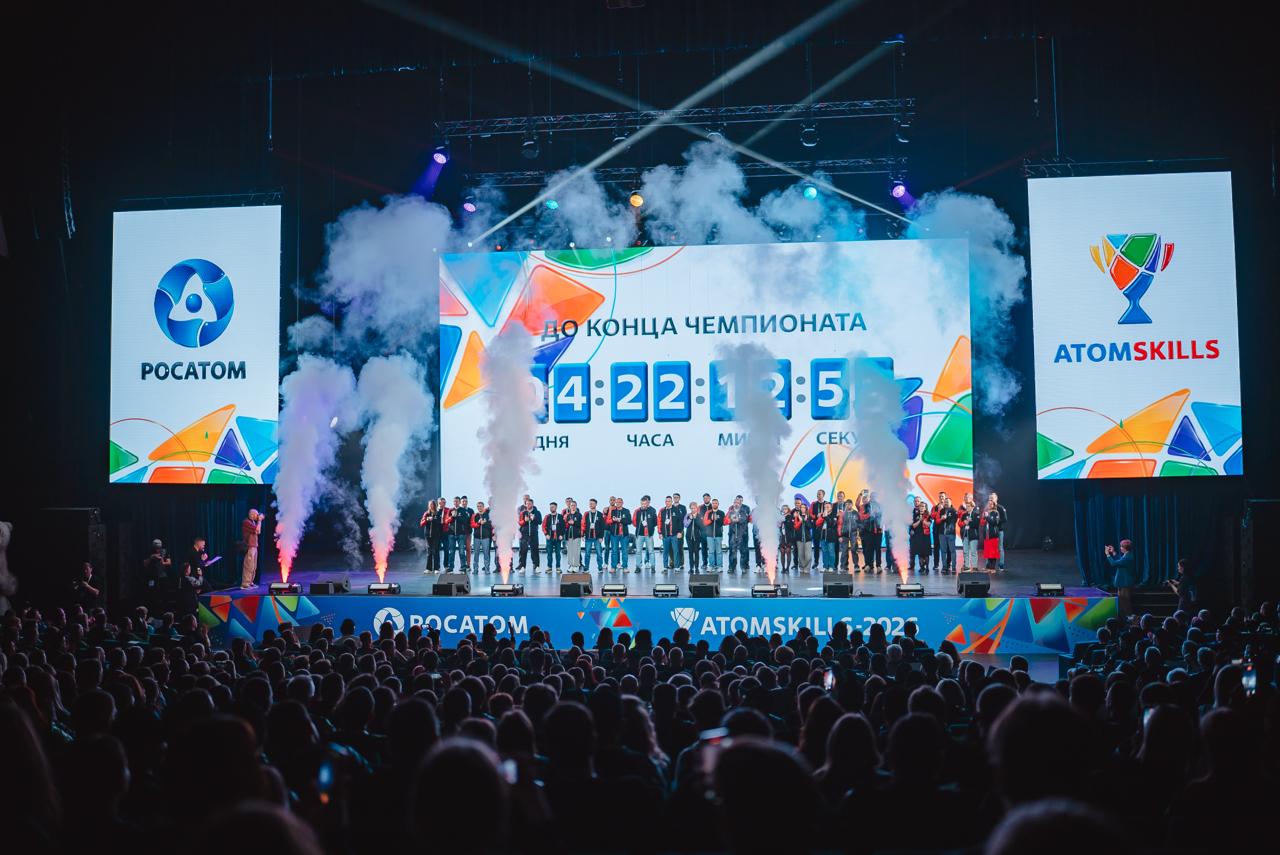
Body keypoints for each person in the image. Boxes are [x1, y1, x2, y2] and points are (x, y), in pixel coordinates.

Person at [1105, 539, 1138, 615]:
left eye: (1121, 547)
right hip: (1122, 583)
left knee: (1125, 603)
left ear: (1125, 548)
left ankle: (1130, 618)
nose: (1120, 548)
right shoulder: (1127, 555)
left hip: (1125, 583)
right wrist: (1113, 552)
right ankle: (1125, 617)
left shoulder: (1128, 557)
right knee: (1122, 602)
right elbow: (1120, 561)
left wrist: (1108, 554)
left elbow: (1114, 564)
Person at [141, 539, 171, 611]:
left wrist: (162, 561)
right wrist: (151, 558)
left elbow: (169, 562)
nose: (158, 550)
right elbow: (144, 564)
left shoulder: (164, 551)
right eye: (156, 548)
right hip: (152, 577)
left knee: (164, 594)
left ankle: (164, 610)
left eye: (159, 548)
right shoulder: (149, 552)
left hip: (163, 576)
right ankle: (153, 610)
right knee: (153, 595)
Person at [726, 495, 752, 574]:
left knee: (743, 551)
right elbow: (727, 519)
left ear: (740, 503)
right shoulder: (730, 511)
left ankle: (743, 567)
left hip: (742, 534)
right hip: (733, 534)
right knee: (732, 551)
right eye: (735, 502)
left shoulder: (744, 511)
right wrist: (732, 519)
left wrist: (738, 519)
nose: (736, 504)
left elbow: (744, 519)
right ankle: (731, 567)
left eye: (738, 503)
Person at [633, 495, 658, 573]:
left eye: (645, 504)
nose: (643, 505)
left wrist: (649, 526)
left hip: (649, 535)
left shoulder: (652, 511)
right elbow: (634, 522)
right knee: (638, 551)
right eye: (642, 504)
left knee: (651, 551)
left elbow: (655, 522)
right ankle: (638, 567)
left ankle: (653, 567)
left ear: (647, 503)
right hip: (639, 535)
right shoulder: (637, 511)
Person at [933, 495, 958, 574]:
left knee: (952, 551)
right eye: (945, 502)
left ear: (951, 503)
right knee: (943, 551)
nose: (946, 503)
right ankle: (944, 567)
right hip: (942, 534)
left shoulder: (954, 510)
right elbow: (937, 521)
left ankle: (953, 567)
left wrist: (946, 518)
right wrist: (941, 518)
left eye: (948, 502)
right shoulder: (941, 511)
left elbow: (954, 521)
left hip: (950, 534)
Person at [516, 498, 542, 572]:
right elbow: (519, 522)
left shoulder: (537, 512)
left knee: (535, 551)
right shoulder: (523, 513)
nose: (528, 505)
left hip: (534, 535)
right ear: (525, 504)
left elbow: (540, 522)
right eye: (527, 504)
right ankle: (522, 567)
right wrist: (525, 520)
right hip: (524, 535)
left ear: (532, 504)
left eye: (530, 504)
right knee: (523, 551)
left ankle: (536, 566)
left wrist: (534, 518)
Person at [860, 492, 883, 572]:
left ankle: (878, 565)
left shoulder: (880, 506)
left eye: (875, 496)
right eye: (872, 497)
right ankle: (869, 565)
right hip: (868, 530)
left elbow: (883, 516)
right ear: (870, 497)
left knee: (878, 548)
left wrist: (881, 525)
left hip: (878, 530)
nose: (874, 498)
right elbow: (862, 516)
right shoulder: (866, 505)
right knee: (868, 548)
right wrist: (869, 515)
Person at [419, 501, 444, 574]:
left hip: (436, 535)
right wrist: (426, 519)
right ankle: (428, 568)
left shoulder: (438, 513)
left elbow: (440, 523)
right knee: (429, 552)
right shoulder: (426, 513)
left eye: (432, 504)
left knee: (436, 551)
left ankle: (437, 568)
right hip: (428, 536)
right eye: (430, 505)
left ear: (435, 505)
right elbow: (421, 524)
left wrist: (433, 519)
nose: (431, 506)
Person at [608, 498, 632, 572]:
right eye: (617, 502)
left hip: (624, 535)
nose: (618, 503)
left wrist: (620, 520)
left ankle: (625, 567)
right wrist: (613, 520)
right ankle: (613, 567)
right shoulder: (613, 511)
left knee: (624, 551)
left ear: (622, 503)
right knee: (614, 551)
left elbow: (629, 521)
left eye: (619, 502)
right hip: (614, 535)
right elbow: (609, 521)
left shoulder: (626, 511)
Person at [240, 508, 262, 589]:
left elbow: (258, 531)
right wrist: (259, 521)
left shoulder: (253, 522)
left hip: (254, 546)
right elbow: (257, 529)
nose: (257, 516)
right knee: (249, 565)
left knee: (253, 566)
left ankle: (250, 582)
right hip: (249, 546)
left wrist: (258, 522)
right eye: (256, 514)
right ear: (252, 515)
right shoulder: (246, 522)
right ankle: (245, 584)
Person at [659, 496, 682, 572]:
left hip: (674, 535)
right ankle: (665, 567)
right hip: (665, 535)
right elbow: (659, 522)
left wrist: (679, 532)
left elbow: (680, 522)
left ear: (672, 502)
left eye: (669, 501)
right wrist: (660, 533)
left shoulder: (676, 510)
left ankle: (677, 567)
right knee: (665, 552)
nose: (667, 502)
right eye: (666, 501)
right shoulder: (662, 511)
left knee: (676, 551)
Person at [582, 499, 605, 572]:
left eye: (592, 503)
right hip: (588, 537)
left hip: (597, 538)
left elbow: (602, 526)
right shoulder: (586, 514)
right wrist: (582, 534)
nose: (590, 505)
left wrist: (601, 537)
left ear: (596, 504)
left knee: (599, 553)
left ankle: (600, 567)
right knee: (587, 553)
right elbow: (583, 524)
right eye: (590, 503)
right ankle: (586, 568)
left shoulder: (600, 514)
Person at [790, 499, 813, 572]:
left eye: (804, 507)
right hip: (799, 538)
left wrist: (805, 521)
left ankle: (807, 568)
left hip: (808, 539)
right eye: (801, 507)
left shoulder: (808, 517)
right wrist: (799, 521)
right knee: (800, 555)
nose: (802, 509)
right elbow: (795, 527)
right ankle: (802, 567)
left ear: (806, 509)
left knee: (808, 556)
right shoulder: (797, 516)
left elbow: (810, 527)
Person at [703, 499, 726, 570]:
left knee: (719, 552)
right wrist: (711, 519)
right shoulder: (708, 513)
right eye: (713, 503)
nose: (714, 504)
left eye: (716, 503)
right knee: (711, 552)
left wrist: (717, 519)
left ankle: (720, 566)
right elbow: (705, 523)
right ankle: (711, 566)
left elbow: (723, 523)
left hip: (718, 535)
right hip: (710, 536)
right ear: (712, 504)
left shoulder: (721, 513)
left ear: (718, 504)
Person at [909, 499, 931, 573]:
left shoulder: (928, 515)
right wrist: (919, 520)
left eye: (923, 506)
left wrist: (923, 520)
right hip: (918, 536)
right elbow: (913, 526)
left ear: (925, 508)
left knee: (926, 553)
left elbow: (929, 524)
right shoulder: (915, 515)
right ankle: (922, 567)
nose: (921, 507)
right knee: (920, 553)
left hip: (926, 536)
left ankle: (927, 567)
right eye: (920, 506)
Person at [838, 499, 860, 571]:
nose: (848, 506)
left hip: (854, 534)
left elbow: (859, 524)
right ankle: (843, 566)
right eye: (846, 504)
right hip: (844, 535)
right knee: (844, 551)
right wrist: (840, 536)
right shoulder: (843, 514)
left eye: (849, 504)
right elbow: (840, 525)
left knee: (854, 550)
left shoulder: (856, 513)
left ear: (852, 504)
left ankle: (856, 566)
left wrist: (858, 534)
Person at [542, 502, 565, 572]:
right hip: (549, 538)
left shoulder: (560, 516)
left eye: (553, 507)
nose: (551, 508)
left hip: (558, 538)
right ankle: (549, 567)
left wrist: (561, 535)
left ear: (556, 507)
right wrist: (546, 534)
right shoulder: (547, 516)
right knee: (549, 553)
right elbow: (543, 526)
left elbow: (563, 527)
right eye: (550, 507)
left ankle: (558, 567)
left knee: (558, 554)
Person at [470, 502, 493, 574]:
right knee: (476, 554)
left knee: (486, 554)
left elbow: (491, 525)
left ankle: (487, 569)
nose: (479, 507)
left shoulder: (488, 515)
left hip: (486, 538)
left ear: (483, 507)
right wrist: (479, 523)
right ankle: (475, 569)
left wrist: (484, 523)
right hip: (476, 538)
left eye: (480, 506)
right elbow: (472, 525)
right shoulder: (474, 515)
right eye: (478, 506)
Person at [959, 493, 980, 571]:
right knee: (965, 551)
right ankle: (967, 566)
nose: (967, 508)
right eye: (966, 506)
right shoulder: (964, 515)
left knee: (973, 551)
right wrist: (964, 522)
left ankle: (974, 566)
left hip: (973, 535)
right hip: (965, 535)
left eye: (969, 506)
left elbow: (977, 524)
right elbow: (960, 523)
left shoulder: (976, 514)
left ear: (972, 507)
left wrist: (970, 522)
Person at [562, 499, 583, 572]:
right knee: (570, 551)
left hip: (576, 535)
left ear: (576, 506)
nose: (573, 507)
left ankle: (576, 565)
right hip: (569, 535)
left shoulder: (579, 515)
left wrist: (574, 523)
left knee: (576, 551)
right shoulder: (567, 515)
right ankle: (571, 565)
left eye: (574, 505)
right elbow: (565, 525)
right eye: (571, 505)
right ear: (569, 506)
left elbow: (581, 524)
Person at [990, 491, 1009, 570]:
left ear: (996, 498)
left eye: (992, 498)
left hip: (999, 531)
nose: (991, 499)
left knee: (1000, 548)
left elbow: (1005, 519)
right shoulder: (989, 508)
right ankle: (991, 565)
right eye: (990, 498)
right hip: (991, 532)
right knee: (991, 548)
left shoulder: (1000, 508)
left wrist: (997, 521)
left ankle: (1001, 565)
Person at [981, 502, 1002, 572]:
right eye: (988, 504)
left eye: (991, 504)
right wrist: (984, 517)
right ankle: (988, 567)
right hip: (987, 535)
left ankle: (992, 568)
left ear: (994, 505)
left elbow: (995, 523)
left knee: (993, 552)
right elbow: (982, 523)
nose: (989, 505)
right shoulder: (986, 512)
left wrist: (987, 517)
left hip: (993, 535)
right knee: (988, 552)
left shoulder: (996, 513)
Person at [684, 500, 703, 571]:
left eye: (694, 508)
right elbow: (685, 525)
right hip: (689, 537)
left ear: (696, 508)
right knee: (690, 552)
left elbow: (702, 526)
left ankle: (697, 567)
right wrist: (690, 519)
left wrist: (695, 519)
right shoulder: (687, 515)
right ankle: (691, 568)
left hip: (697, 537)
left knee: (697, 552)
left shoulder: (700, 516)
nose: (693, 509)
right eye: (691, 508)